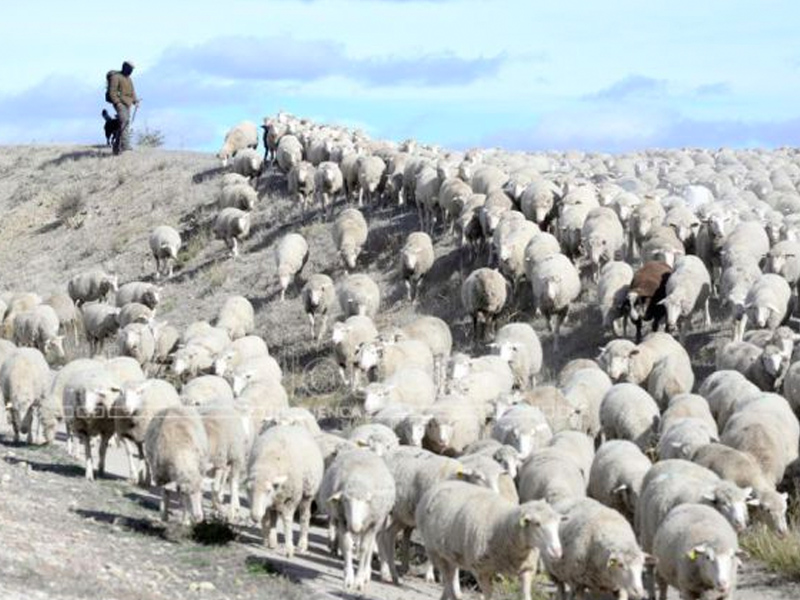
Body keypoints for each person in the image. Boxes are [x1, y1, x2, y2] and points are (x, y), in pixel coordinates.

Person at [107, 61, 139, 154]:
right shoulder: (115, 77)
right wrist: (117, 103)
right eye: (130, 68)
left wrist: (135, 101)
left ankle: (116, 149)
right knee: (124, 121)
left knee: (124, 124)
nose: (131, 71)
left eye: (132, 69)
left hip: (128, 103)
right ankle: (125, 146)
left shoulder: (129, 79)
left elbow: (132, 91)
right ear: (125, 67)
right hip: (120, 103)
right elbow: (112, 92)